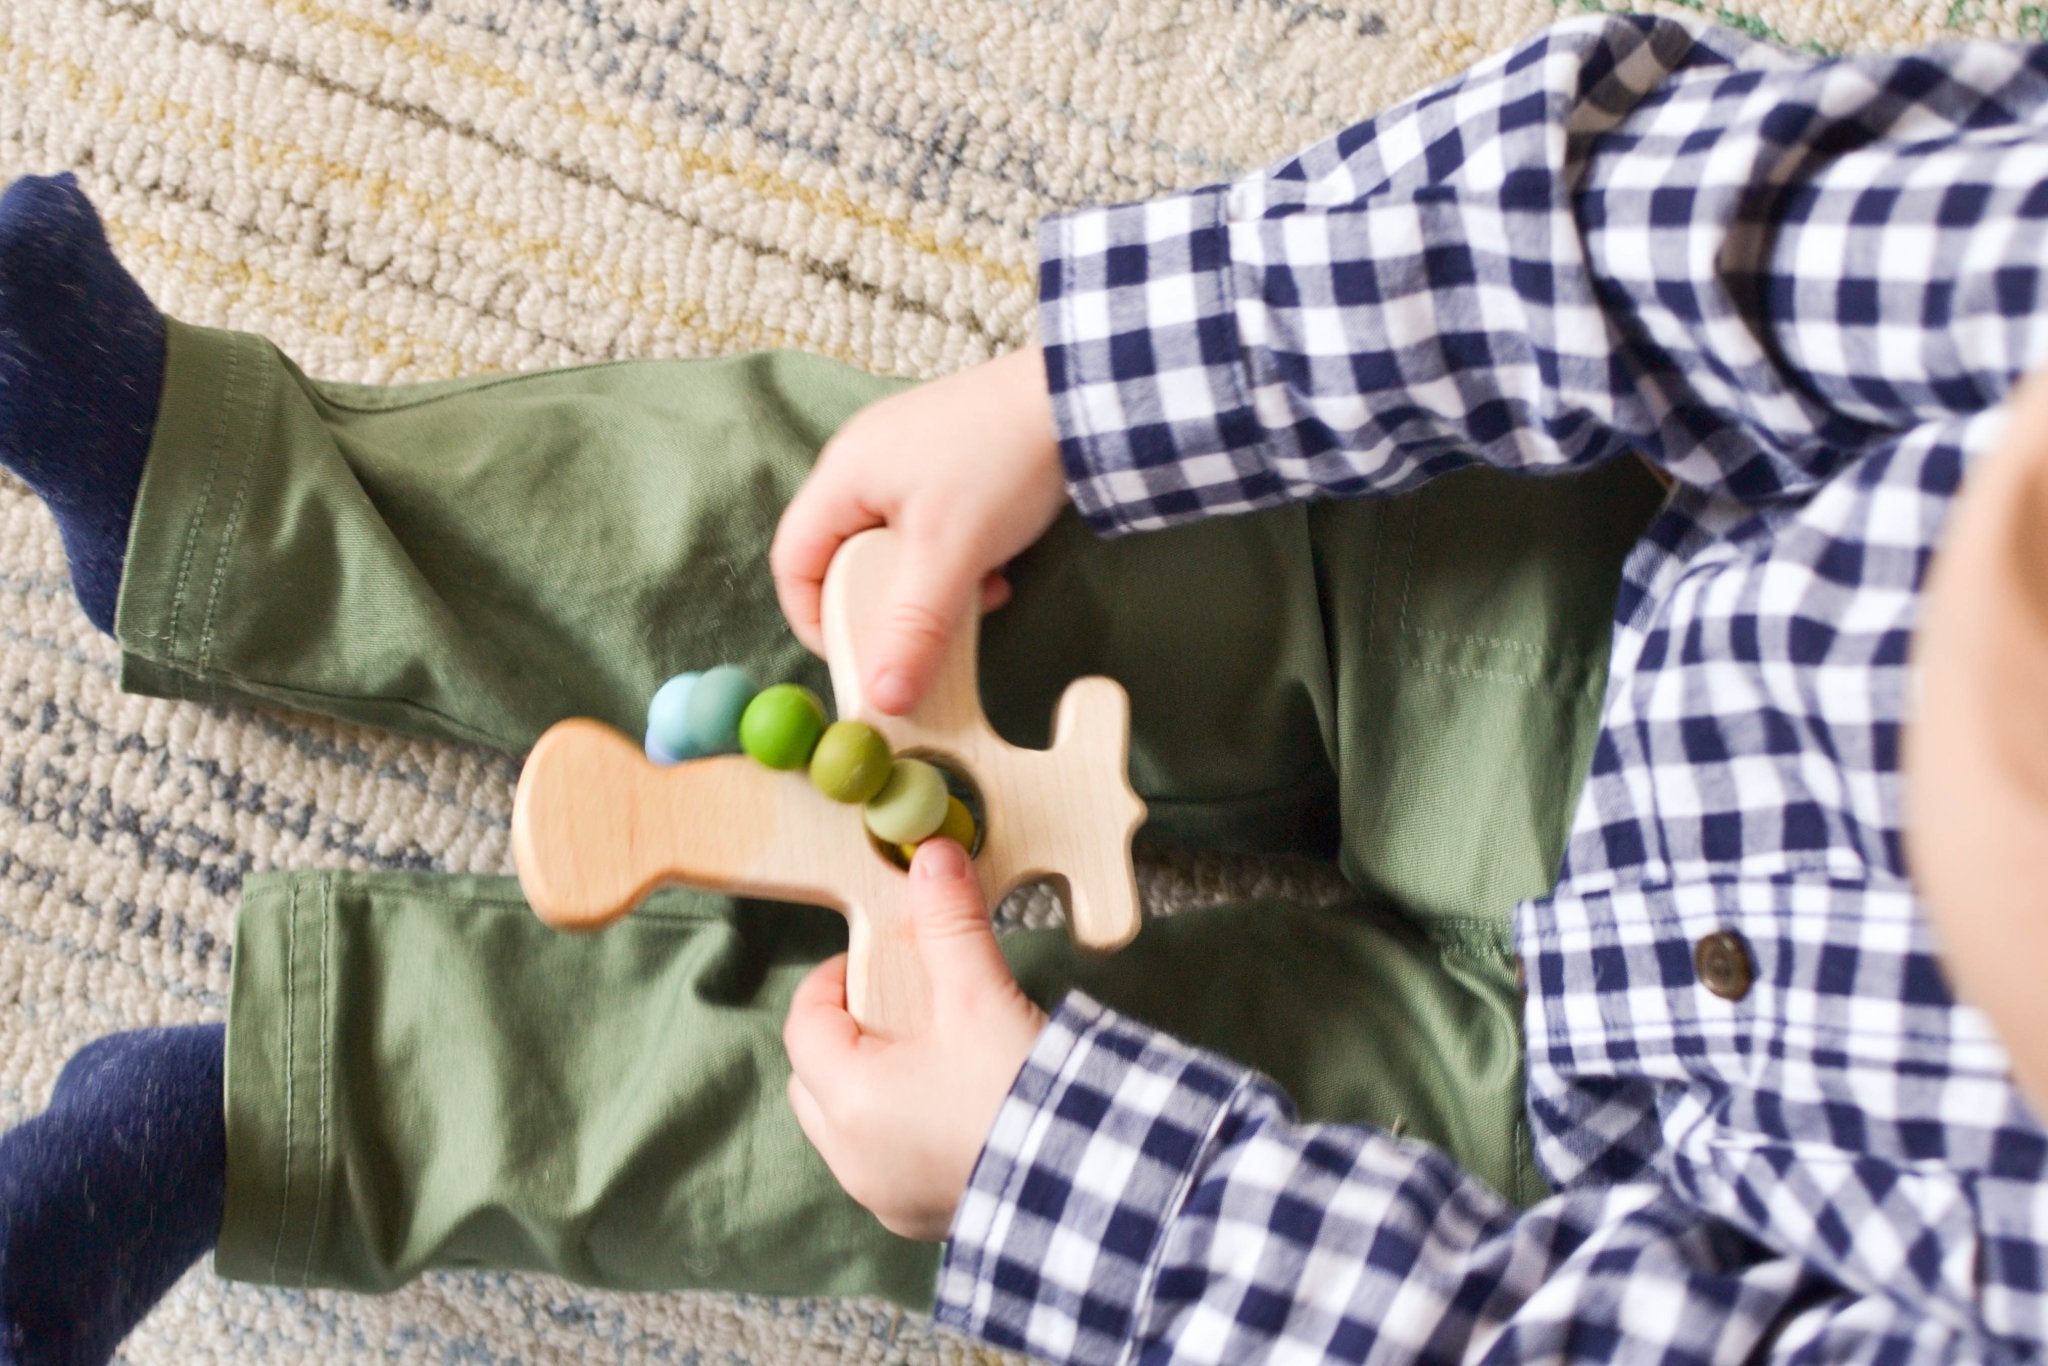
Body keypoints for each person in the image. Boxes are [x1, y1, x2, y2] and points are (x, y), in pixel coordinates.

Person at [1, 9, 2045, 1362]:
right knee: (851, 570)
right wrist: (1093, 387)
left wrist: (1045, 1166)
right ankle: (215, 487)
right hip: (1557, 578)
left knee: (862, 1106)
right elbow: (1653, 218)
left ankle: (269, 1114)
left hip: (1573, 1193)